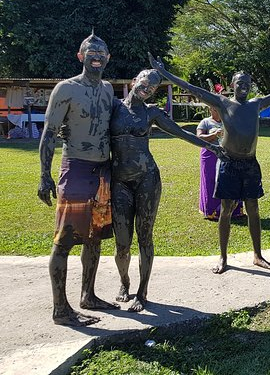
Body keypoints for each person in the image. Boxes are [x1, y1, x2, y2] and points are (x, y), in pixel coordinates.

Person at [150, 54, 270, 273]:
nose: (243, 86)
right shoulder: (222, 103)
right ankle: (223, 258)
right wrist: (164, 73)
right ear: (232, 85)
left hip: (250, 164)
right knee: (226, 209)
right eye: (239, 83)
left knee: (253, 208)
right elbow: (191, 88)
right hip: (229, 163)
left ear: (251, 86)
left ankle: (257, 255)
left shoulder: (256, 104)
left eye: (247, 83)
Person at [111, 69, 227, 312]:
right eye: (145, 83)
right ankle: (124, 282)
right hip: (119, 181)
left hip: (147, 179)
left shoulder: (151, 112)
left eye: (154, 87)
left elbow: (181, 133)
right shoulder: (113, 107)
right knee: (122, 242)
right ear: (134, 81)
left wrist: (212, 147)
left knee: (145, 237)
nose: (148, 89)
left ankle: (142, 292)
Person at [37, 31, 118, 326]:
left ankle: (89, 295)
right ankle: (61, 308)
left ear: (107, 58)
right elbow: (49, 132)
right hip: (76, 169)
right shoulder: (66, 89)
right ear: (81, 57)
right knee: (64, 241)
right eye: (90, 53)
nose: (96, 57)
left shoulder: (109, 90)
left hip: (103, 172)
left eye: (102, 53)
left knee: (95, 238)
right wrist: (45, 175)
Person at [196, 106, 243, 221]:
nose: (218, 111)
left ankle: (235, 210)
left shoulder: (229, 121)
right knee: (211, 180)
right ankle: (212, 211)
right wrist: (214, 135)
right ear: (210, 109)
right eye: (215, 109)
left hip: (228, 155)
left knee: (231, 181)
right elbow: (198, 137)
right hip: (210, 155)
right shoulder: (205, 122)